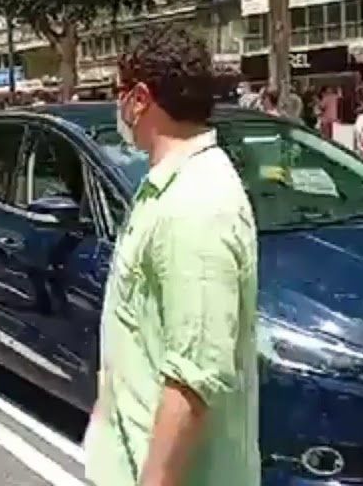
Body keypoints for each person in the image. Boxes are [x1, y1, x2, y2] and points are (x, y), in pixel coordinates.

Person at [85, 27, 259, 486]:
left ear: (140, 98)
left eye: (118, 93)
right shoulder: (167, 185)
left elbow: (194, 378)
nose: (117, 106)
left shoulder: (198, 203)